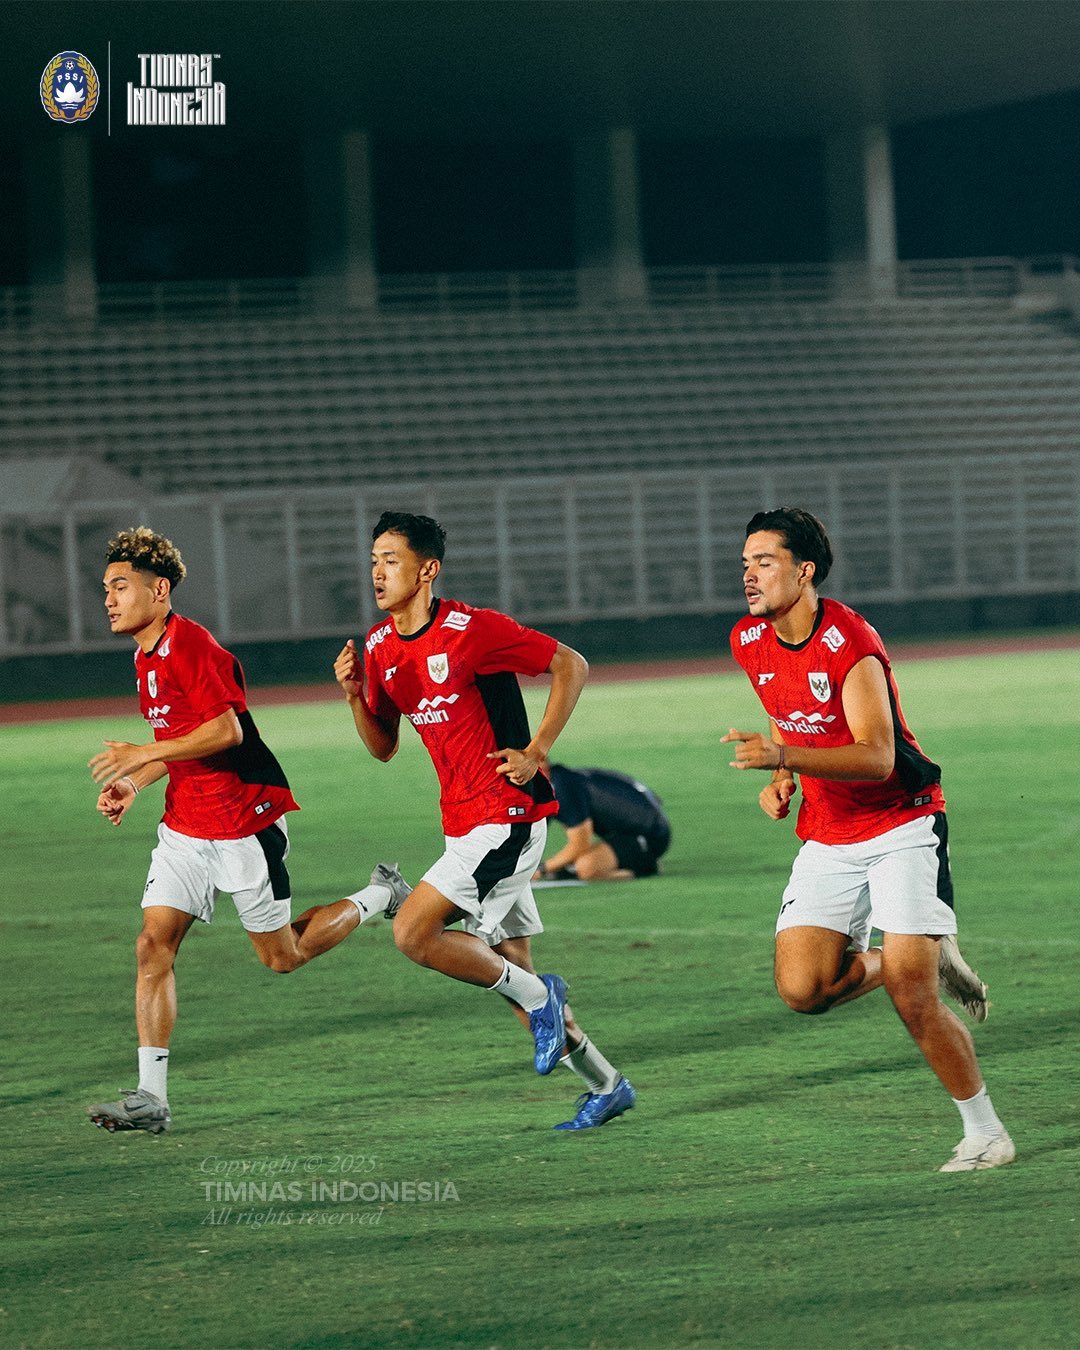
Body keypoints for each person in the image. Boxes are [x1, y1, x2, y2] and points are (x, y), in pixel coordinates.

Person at [87, 527, 407, 1135]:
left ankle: (381, 895)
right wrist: (136, 781)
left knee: (281, 956)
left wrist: (139, 754)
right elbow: (183, 743)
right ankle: (151, 1097)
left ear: (159, 590)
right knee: (153, 945)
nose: (108, 598)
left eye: (120, 586)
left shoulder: (193, 649)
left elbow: (227, 732)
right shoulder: (145, 655)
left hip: (242, 823)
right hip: (185, 825)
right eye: (106, 588)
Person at [722, 507, 1014, 1173]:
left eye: (763, 561)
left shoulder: (849, 641)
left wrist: (784, 757)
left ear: (804, 570)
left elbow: (878, 756)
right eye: (745, 562)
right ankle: (920, 952)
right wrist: (784, 780)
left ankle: (986, 1132)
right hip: (828, 832)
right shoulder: (748, 640)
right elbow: (787, 708)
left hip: (903, 822)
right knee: (804, 991)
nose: (748, 574)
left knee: (913, 998)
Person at [333, 511, 635, 1130]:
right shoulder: (382, 647)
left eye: (391, 560)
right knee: (511, 968)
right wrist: (353, 695)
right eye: (373, 561)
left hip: (509, 818)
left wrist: (538, 749)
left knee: (414, 933)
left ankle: (543, 998)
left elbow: (569, 664)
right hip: (462, 823)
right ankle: (606, 1085)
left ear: (427, 569)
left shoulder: (473, 630)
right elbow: (383, 745)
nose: (378, 573)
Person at [536, 763, 671, 882]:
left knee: (587, 867)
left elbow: (581, 844)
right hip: (633, 829)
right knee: (570, 863)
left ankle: (646, 867)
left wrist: (541, 869)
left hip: (650, 836)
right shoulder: (560, 779)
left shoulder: (562, 788)